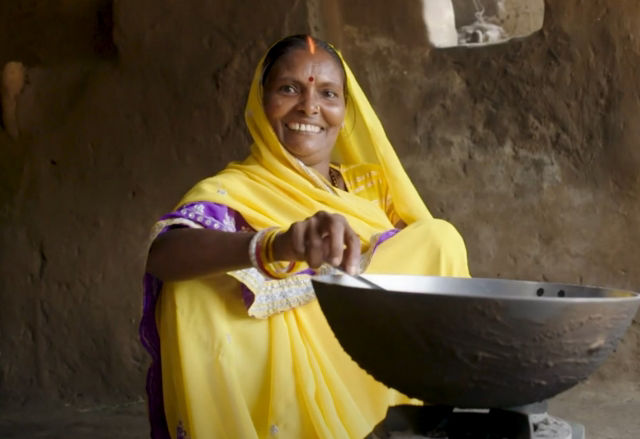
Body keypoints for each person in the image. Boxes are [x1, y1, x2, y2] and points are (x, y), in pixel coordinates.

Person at [140, 34, 470, 439]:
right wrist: (276, 245)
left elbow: (422, 277)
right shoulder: (235, 190)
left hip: (369, 353)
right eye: (289, 89)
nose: (310, 106)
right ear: (261, 103)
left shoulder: (371, 189)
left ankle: (418, 425)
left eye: (328, 93)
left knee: (439, 239)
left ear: (346, 112)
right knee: (190, 291)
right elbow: (164, 254)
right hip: (281, 379)